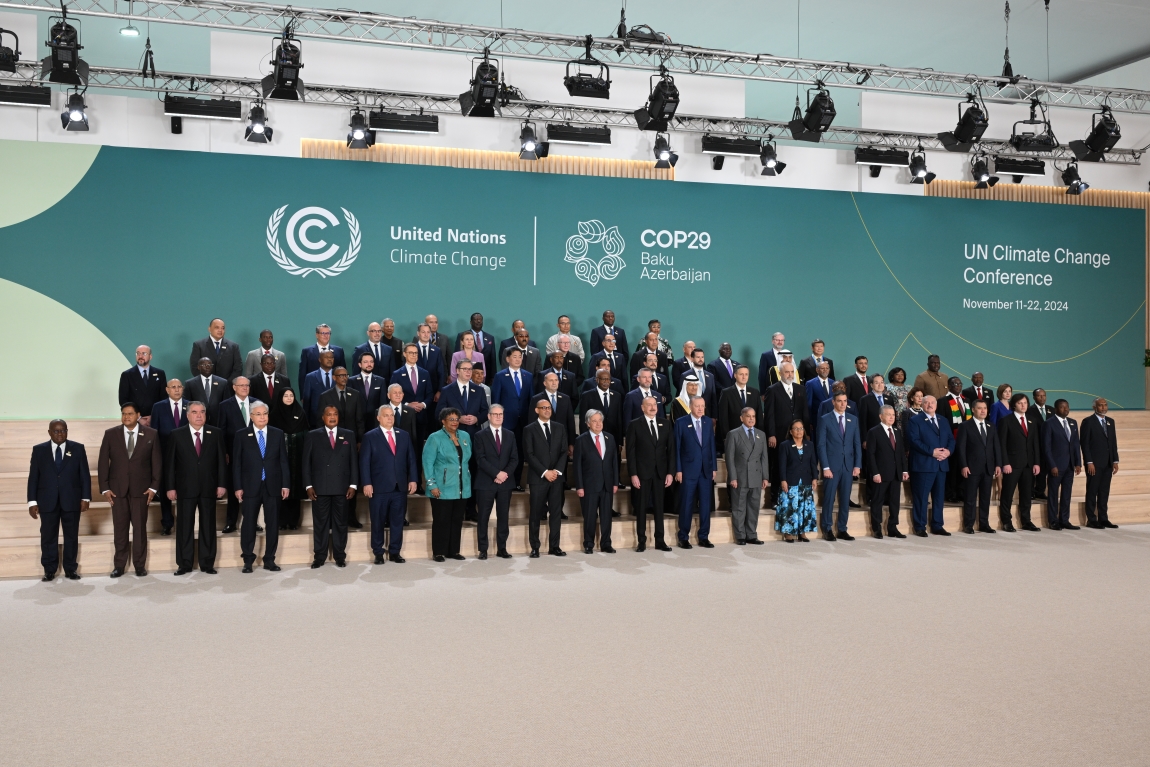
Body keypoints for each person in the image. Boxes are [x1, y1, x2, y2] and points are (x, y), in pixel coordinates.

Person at [97, 403, 161, 577]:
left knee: (140, 530)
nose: (126, 417)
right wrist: (105, 488)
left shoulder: (151, 434)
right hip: (117, 491)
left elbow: (157, 463)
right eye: (124, 414)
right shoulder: (111, 434)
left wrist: (153, 487)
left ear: (138, 415)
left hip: (141, 491)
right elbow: (103, 463)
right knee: (120, 529)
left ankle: (139, 565)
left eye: (130, 414)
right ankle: (119, 565)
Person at [164, 402, 226, 574]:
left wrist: (221, 484)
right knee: (185, 527)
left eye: (202, 412)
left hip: (209, 487)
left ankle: (207, 563)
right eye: (195, 412)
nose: (199, 415)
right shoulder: (177, 435)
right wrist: (170, 487)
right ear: (187, 415)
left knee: (208, 526)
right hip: (185, 488)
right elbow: (170, 464)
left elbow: (221, 461)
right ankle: (184, 563)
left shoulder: (216, 433)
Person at [27, 419, 90, 581]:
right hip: (47, 501)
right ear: (49, 432)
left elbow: (84, 476)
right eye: (56, 431)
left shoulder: (77, 448)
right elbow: (33, 478)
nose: (60, 434)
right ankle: (49, 569)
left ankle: (70, 568)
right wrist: (32, 502)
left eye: (63, 430)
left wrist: (85, 497)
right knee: (48, 536)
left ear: (67, 431)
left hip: (72, 500)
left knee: (71, 536)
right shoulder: (39, 450)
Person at [232, 402, 291, 572]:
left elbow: (283, 461)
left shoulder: (277, 433)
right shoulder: (242, 435)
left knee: (272, 524)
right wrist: (238, 486)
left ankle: (270, 559)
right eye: (258, 414)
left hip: (273, 485)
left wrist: (285, 484)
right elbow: (237, 464)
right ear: (251, 416)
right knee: (249, 523)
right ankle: (248, 560)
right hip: (250, 486)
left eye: (265, 413)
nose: (262, 416)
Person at [361, 406, 418, 564]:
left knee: (398, 521)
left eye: (391, 415)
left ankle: (395, 551)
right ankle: (378, 552)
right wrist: (366, 483)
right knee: (377, 521)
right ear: (378, 418)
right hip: (379, 488)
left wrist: (413, 479)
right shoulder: (370, 436)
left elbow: (411, 459)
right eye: (386, 416)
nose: (389, 418)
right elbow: (364, 463)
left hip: (399, 487)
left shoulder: (403, 435)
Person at [303, 406, 359, 567]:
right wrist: (308, 485)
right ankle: (319, 556)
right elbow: (306, 463)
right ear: (323, 417)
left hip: (342, 487)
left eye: (335, 414)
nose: (332, 417)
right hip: (319, 488)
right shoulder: (313, 435)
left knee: (340, 523)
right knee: (320, 523)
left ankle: (339, 555)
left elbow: (353, 462)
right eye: (329, 414)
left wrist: (353, 484)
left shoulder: (348, 434)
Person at [626, 395, 674, 552]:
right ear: (642, 407)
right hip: (641, 473)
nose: (653, 407)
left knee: (659, 507)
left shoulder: (665, 424)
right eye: (649, 405)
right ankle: (641, 540)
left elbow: (671, 451)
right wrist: (633, 474)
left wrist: (670, 473)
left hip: (660, 473)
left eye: (655, 404)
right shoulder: (634, 425)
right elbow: (630, 452)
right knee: (641, 508)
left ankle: (660, 540)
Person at [472, 404, 518, 559]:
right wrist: (496, 473)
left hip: (506, 481)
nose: (498, 417)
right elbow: (480, 459)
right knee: (483, 516)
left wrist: (504, 474)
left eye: (501, 414)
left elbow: (514, 459)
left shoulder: (510, 435)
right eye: (495, 414)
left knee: (503, 516)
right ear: (489, 416)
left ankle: (502, 548)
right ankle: (483, 549)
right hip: (486, 482)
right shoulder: (479, 435)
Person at [523, 398, 568, 557]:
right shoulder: (529, 429)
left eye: (549, 407)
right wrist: (545, 472)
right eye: (544, 408)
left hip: (556, 478)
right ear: (537, 410)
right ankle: (535, 547)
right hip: (538, 478)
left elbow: (564, 452)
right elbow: (529, 454)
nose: (547, 410)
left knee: (556, 514)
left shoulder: (560, 428)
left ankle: (554, 546)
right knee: (535, 514)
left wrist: (556, 471)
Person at [906, 395, 954, 537]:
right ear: (922, 404)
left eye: (932, 402)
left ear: (936, 405)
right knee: (921, 497)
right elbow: (914, 440)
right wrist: (931, 452)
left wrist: (948, 451)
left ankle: (937, 525)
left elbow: (951, 439)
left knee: (939, 497)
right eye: (926, 402)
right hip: (923, 465)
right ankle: (920, 526)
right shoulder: (915, 420)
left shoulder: (943, 420)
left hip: (941, 465)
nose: (930, 405)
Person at [816, 392, 861, 541]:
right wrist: (825, 467)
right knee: (829, 498)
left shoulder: (853, 419)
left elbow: (856, 444)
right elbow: (821, 445)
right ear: (833, 402)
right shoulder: (825, 419)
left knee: (845, 498)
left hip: (848, 466)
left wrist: (857, 465)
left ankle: (842, 528)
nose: (842, 404)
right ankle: (827, 528)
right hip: (832, 467)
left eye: (845, 401)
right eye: (839, 401)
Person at [574, 409, 619, 554]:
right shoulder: (581, 440)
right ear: (588, 423)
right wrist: (579, 486)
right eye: (594, 421)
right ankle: (588, 543)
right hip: (589, 486)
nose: (598, 424)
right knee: (590, 516)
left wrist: (615, 482)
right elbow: (577, 466)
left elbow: (614, 463)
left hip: (607, 484)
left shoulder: (609, 438)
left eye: (600, 420)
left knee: (606, 516)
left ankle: (606, 543)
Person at [218, 375, 259, 534]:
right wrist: (225, 453)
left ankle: (252, 521)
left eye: (247, 385)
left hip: (254, 454)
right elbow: (221, 431)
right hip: (233, 454)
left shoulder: (257, 404)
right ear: (234, 387)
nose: (245, 388)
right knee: (234, 487)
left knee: (253, 489)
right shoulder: (225, 405)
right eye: (241, 385)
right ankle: (231, 522)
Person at [675, 396, 717, 549]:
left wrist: (714, 468)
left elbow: (711, 446)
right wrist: (678, 469)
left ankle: (704, 536)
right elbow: (677, 448)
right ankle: (683, 537)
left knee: (705, 505)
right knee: (686, 504)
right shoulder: (681, 422)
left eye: (703, 406)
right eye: (697, 406)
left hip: (706, 470)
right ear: (690, 407)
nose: (700, 409)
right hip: (688, 471)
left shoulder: (707, 423)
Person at [955, 399, 1002, 534]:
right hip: (971, 467)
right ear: (973, 410)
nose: (983, 411)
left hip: (988, 468)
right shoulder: (965, 426)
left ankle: (984, 523)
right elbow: (961, 448)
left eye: (985, 408)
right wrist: (963, 465)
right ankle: (968, 524)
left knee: (985, 497)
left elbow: (996, 447)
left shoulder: (991, 426)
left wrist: (998, 464)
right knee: (970, 498)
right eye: (980, 408)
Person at [764, 362, 807, 508]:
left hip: (798, 435)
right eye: (787, 372)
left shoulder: (800, 389)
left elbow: (804, 413)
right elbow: (769, 415)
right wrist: (771, 434)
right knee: (778, 467)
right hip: (779, 435)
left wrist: (805, 433)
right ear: (780, 374)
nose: (790, 375)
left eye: (792, 372)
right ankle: (775, 499)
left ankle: (795, 498)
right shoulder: (772, 390)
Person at [997, 393, 1042, 533]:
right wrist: (1005, 462)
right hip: (1012, 464)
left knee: (1026, 494)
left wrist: (1036, 463)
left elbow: (1035, 444)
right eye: (1020, 403)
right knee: (1007, 493)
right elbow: (1002, 444)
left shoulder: (1032, 420)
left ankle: (1026, 521)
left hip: (1029, 464)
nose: (1023, 405)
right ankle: (1006, 521)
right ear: (1014, 405)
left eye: (1025, 403)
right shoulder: (1006, 420)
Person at [725, 407, 769, 545]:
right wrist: (732, 477)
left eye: (753, 416)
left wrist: (765, 477)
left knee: (753, 507)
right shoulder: (733, 434)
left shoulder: (761, 434)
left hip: (756, 477)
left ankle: (751, 534)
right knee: (739, 507)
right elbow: (729, 458)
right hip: (740, 477)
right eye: (748, 416)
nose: (751, 419)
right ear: (741, 418)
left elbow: (764, 458)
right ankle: (740, 536)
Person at [149, 378, 188, 535]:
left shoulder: (191, 405)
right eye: (173, 387)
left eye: (179, 386)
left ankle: (185, 522)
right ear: (167, 390)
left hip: (187, 456)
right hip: (166, 455)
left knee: (186, 490)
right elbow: (154, 433)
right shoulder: (158, 407)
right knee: (166, 489)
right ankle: (167, 522)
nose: (177, 389)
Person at [491, 347, 534, 490]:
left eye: (520, 356)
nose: (518, 359)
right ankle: (503, 480)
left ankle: (516, 482)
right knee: (504, 452)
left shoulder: (528, 376)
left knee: (520, 453)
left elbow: (531, 400)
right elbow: (496, 401)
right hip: (505, 421)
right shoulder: (500, 376)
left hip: (523, 421)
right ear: (508, 359)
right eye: (514, 356)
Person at [269, 387, 309, 530]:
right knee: (281, 487)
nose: (289, 398)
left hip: (297, 457)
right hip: (279, 458)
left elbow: (306, 433)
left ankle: (293, 521)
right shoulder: (274, 415)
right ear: (280, 397)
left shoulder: (300, 412)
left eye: (291, 395)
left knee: (295, 488)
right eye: (285, 395)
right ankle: (281, 521)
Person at [865, 405, 908, 538]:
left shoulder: (897, 431)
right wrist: (875, 473)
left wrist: (904, 470)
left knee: (895, 502)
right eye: (888, 414)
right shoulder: (874, 432)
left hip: (896, 473)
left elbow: (901, 453)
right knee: (877, 501)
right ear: (881, 416)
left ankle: (892, 527)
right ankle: (876, 528)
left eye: (893, 415)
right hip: (881, 474)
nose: (891, 417)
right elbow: (870, 454)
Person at [1080, 398, 1120, 529]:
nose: (1103, 407)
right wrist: (1089, 462)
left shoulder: (1110, 422)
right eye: (1100, 405)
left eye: (1105, 405)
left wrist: (1115, 460)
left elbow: (1113, 442)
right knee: (1092, 491)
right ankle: (1091, 519)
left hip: (1108, 463)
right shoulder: (1088, 422)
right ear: (1094, 407)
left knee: (1104, 491)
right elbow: (1084, 444)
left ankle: (1103, 518)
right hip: (1094, 464)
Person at [776, 419, 818, 543]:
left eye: (801, 428)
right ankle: (789, 533)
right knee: (790, 507)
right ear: (791, 431)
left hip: (805, 482)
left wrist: (815, 478)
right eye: (796, 428)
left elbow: (813, 463)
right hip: (791, 481)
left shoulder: (809, 445)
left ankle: (802, 532)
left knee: (804, 508)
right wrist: (783, 480)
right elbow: (782, 465)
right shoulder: (785, 445)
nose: (799, 431)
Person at [1043, 399, 1081, 530]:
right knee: (1053, 494)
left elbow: (1076, 444)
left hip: (1070, 466)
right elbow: (1046, 447)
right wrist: (1052, 465)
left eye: (1067, 407)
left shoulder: (1073, 422)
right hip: (1056, 467)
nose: (1065, 409)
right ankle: (1053, 521)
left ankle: (1065, 520)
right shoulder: (1049, 423)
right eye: (1062, 407)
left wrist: (1078, 463)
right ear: (1056, 409)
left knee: (1067, 494)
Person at [391, 344, 433, 453]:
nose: (414, 355)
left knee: (419, 447)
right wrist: (407, 405)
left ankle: (418, 469)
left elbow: (429, 394)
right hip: (404, 417)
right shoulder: (397, 374)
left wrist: (422, 405)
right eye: (411, 353)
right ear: (404, 354)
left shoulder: (425, 373)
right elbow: (392, 395)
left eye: (415, 353)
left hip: (421, 416)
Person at [940, 376, 972, 503]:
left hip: (966, 440)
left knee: (963, 466)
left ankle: (961, 492)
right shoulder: (943, 401)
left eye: (959, 384)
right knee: (953, 467)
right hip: (952, 439)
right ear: (949, 386)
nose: (958, 386)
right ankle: (951, 493)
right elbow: (942, 422)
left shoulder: (967, 400)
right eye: (955, 384)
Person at [118, 345, 166, 426]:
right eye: (138, 353)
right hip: (134, 421)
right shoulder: (127, 375)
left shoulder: (160, 374)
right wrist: (139, 418)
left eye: (144, 353)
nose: (140, 356)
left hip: (155, 420)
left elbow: (164, 398)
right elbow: (123, 400)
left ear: (150, 356)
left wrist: (153, 417)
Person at [532, 372, 576, 457]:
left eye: (556, 380)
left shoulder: (566, 399)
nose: (554, 382)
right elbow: (532, 422)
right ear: (545, 383)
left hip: (562, 443)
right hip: (542, 443)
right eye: (551, 380)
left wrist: (571, 443)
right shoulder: (536, 399)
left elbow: (570, 422)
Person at [189, 318, 241, 387]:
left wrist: (226, 383)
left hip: (227, 387)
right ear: (209, 329)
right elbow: (195, 367)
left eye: (223, 328)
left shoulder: (233, 346)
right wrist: (207, 382)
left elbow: (238, 368)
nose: (220, 330)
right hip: (206, 386)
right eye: (217, 327)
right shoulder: (199, 345)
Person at [579, 368, 623, 450]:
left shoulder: (617, 396)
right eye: (603, 379)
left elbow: (619, 419)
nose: (606, 382)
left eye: (608, 379)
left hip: (613, 440)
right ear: (597, 380)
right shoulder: (587, 396)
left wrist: (620, 442)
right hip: (593, 438)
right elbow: (583, 421)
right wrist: (585, 440)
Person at [716, 365, 762, 440]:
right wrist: (727, 437)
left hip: (752, 436)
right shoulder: (726, 393)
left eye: (746, 374)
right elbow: (723, 418)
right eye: (741, 374)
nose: (744, 377)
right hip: (734, 436)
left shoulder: (755, 392)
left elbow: (759, 416)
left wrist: (759, 435)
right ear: (735, 375)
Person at [1028, 388, 1055, 500]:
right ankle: (1030, 491)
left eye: (1044, 395)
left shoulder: (1051, 410)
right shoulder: (1029, 410)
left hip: (1049, 445)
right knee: (1034, 469)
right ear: (1034, 397)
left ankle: (1040, 491)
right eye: (1039, 396)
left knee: (1044, 469)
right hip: (1035, 444)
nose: (1042, 397)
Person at [184, 358, 228, 426]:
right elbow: (188, 404)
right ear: (198, 367)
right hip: (197, 422)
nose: (207, 367)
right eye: (204, 365)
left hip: (218, 422)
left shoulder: (223, 382)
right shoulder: (190, 383)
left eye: (210, 364)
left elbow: (226, 403)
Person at [349, 353, 385, 434]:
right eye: (366, 362)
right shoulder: (352, 381)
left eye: (371, 362)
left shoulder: (381, 381)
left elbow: (383, 403)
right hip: (357, 422)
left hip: (375, 422)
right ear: (359, 364)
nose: (369, 364)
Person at [301, 350, 338, 425]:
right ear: (320, 359)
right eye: (326, 357)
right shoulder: (310, 377)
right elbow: (307, 401)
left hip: (336, 419)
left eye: (331, 357)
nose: (330, 359)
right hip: (316, 419)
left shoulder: (339, 376)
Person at [857, 373, 895, 439]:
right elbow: (862, 421)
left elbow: (893, 418)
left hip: (888, 435)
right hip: (872, 435)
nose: (880, 385)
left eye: (882, 382)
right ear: (871, 385)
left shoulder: (889, 399)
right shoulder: (865, 399)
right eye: (877, 383)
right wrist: (865, 439)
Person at [414, 323, 447, 394]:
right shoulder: (412, 349)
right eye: (423, 332)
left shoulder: (437, 350)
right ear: (418, 333)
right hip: (416, 390)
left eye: (428, 332)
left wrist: (439, 390)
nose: (426, 335)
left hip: (433, 390)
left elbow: (441, 372)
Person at [806, 361, 836, 425]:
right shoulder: (810, 383)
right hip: (817, 418)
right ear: (817, 370)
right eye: (822, 368)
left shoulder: (833, 383)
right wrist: (810, 421)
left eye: (827, 368)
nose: (825, 370)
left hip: (833, 418)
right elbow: (809, 404)